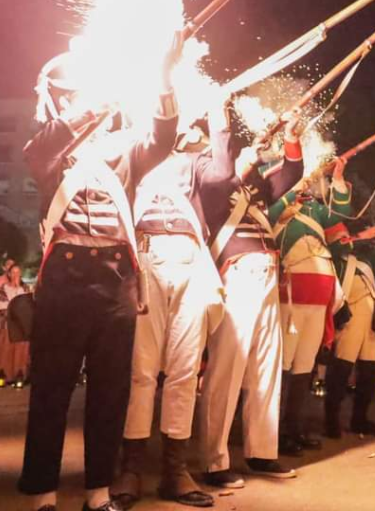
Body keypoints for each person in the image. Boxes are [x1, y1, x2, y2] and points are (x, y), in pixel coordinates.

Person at [18, 43, 180, 511]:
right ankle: (41, 493)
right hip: (65, 278)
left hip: (117, 280)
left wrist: (164, 76)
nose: (77, 104)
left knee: (112, 392)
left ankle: (98, 492)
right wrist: (96, 101)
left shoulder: (124, 151)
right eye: (70, 97)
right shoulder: (50, 148)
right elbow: (42, 149)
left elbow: (164, 137)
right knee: (51, 388)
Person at [111, 108, 231, 510]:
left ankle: (175, 471)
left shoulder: (194, 161)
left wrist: (219, 117)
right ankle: (131, 468)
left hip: (190, 259)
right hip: (145, 257)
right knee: (141, 370)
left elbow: (223, 174)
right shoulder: (134, 150)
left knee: (183, 371)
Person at [197, 112, 304, 489]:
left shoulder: (254, 186)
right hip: (235, 276)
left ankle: (261, 451)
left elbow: (290, 174)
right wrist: (245, 164)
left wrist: (291, 139)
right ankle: (213, 460)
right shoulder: (207, 180)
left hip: (267, 276)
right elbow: (214, 191)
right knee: (226, 370)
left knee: (265, 368)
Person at [269, 158, 353, 456]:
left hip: (319, 297)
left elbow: (342, 212)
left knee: (304, 366)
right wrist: (294, 190)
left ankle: (294, 428)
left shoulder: (317, 210)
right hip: (291, 294)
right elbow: (268, 215)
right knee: (284, 365)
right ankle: (273, 433)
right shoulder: (280, 202)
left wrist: (338, 177)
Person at [323, 228, 375, 438]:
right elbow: (333, 248)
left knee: (368, 374)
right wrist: (359, 237)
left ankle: (360, 418)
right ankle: (331, 420)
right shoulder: (335, 259)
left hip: (371, 320)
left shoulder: (365, 261)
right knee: (340, 373)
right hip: (351, 319)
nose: (345, 239)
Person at [0, 264, 31, 383]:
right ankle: (3, 375)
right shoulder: (3, 288)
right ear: (9, 274)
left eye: (17, 272)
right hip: (7, 323)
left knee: (21, 350)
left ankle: (19, 374)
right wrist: (14, 309)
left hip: (22, 324)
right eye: (13, 272)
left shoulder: (25, 289)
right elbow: (0, 304)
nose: (15, 275)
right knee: (5, 349)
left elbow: (27, 305)